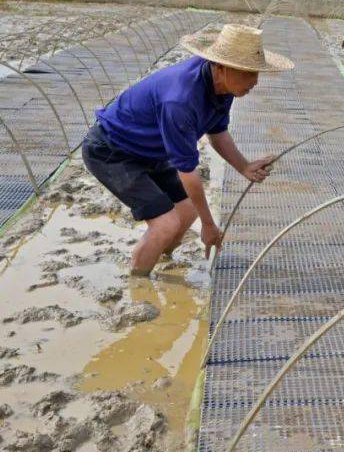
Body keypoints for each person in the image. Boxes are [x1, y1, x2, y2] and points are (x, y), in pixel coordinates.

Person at [81, 24, 294, 276]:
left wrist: (244, 166)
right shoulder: (180, 100)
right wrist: (209, 225)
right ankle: (138, 284)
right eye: (248, 73)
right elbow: (187, 172)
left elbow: (217, 132)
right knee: (165, 223)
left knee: (187, 210)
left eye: (256, 73)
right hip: (112, 151)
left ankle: (161, 259)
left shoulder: (223, 88)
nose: (255, 81)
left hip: (151, 150)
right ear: (221, 66)